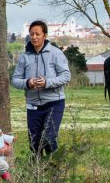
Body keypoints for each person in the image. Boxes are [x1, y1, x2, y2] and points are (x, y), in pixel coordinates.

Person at [13, 20, 71, 156]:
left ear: (44, 35)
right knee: (34, 144)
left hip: (54, 103)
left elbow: (66, 76)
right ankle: (37, 174)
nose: (34, 37)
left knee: (49, 139)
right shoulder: (24, 57)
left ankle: (55, 170)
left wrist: (47, 83)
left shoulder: (56, 53)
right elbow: (15, 80)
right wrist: (28, 83)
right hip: (32, 105)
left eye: (37, 34)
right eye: (31, 34)